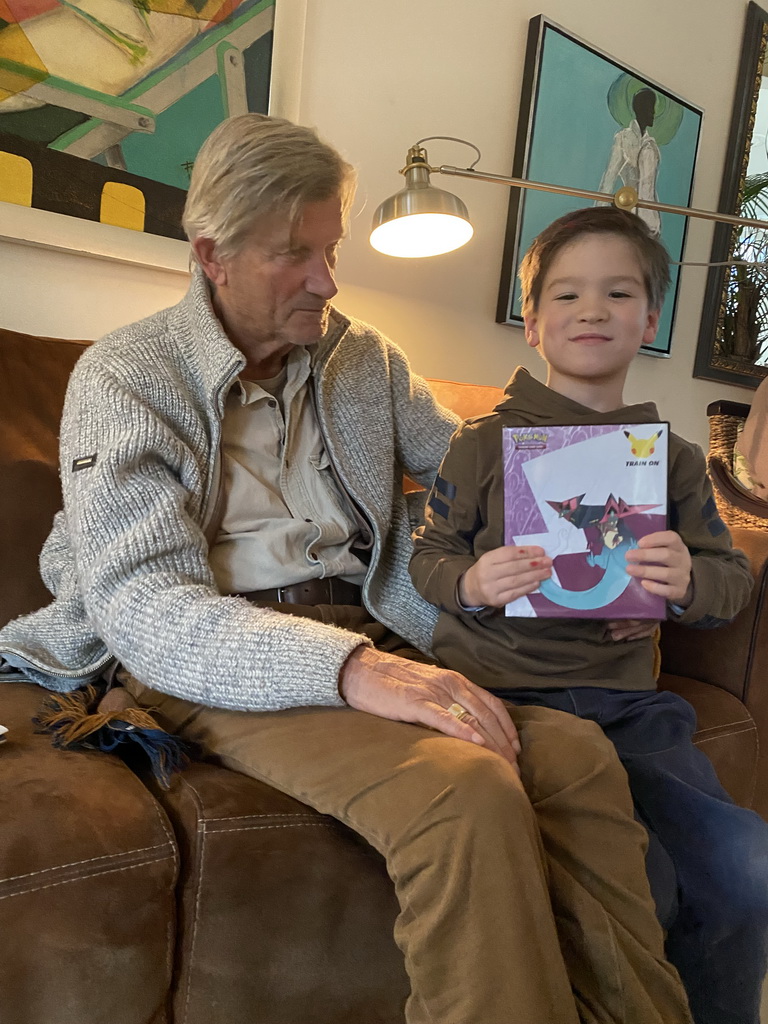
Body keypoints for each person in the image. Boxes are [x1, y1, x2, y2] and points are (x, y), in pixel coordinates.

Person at [0, 117, 691, 1024]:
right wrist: (358, 672)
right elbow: (146, 607)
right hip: (218, 654)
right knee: (463, 787)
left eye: (331, 249)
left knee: (577, 761)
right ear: (214, 253)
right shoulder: (126, 378)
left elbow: (479, 471)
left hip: (367, 624)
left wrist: (618, 556)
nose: (329, 282)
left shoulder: (360, 356)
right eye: (298, 255)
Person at [410, 205, 768, 1024]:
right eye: (566, 296)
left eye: (618, 292)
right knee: (642, 882)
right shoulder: (480, 443)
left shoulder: (672, 463)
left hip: (631, 712)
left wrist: (682, 582)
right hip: (504, 701)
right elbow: (427, 560)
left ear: (649, 318)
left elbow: (726, 584)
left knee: (747, 867)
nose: (593, 310)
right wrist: (473, 581)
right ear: (532, 323)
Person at [599, 88, 661, 236]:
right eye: (650, 108)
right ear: (640, 109)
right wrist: (599, 214)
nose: (653, 113)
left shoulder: (651, 145)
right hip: (628, 216)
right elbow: (609, 176)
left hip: (651, 221)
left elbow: (649, 187)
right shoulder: (623, 138)